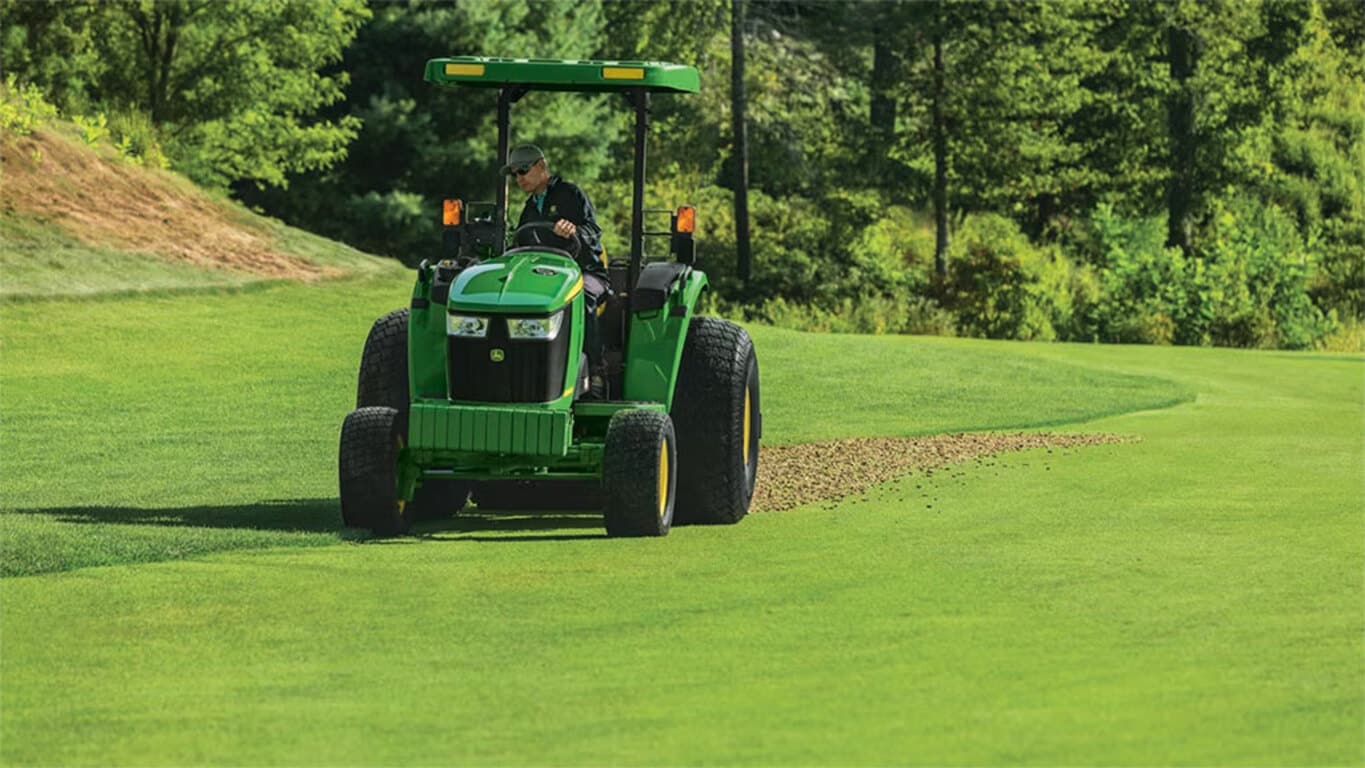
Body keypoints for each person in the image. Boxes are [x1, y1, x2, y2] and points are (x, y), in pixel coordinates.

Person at [502, 143, 610, 389]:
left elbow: (593, 231)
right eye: (514, 174)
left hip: (585, 271)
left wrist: (574, 231)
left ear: (541, 167)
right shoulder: (530, 208)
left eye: (523, 171)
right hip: (544, 277)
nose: (519, 178)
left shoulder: (570, 194)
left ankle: (594, 370)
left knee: (583, 296)